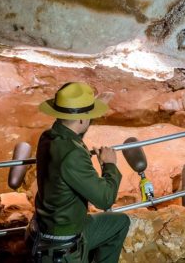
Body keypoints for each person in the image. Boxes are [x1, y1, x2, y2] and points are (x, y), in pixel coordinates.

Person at [32, 82, 130, 262]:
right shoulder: (73, 154)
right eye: (88, 115)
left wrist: (91, 113)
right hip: (63, 242)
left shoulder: (48, 136)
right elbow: (104, 199)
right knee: (118, 222)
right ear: (82, 119)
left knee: (119, 223)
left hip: (45, 226)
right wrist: (109, 165)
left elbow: (74, 132)